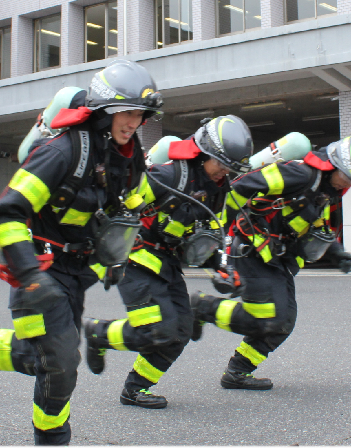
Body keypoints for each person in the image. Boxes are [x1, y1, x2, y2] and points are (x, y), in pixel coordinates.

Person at [0, 59, 163, 448]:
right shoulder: (63, 151)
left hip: (77, 272)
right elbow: (6, 212)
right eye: (126, 111)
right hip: (40, 270)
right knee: (60, 364)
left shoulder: (127, 159)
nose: (133, 121)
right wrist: (30, 275)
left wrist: (118, 255)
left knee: (42, 357)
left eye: (140, 114)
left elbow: (125, 210)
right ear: (104, 110)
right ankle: (52, 439)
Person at [82, 115, 254, 409]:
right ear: (204, 153)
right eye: (221, 164)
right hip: (134, 259)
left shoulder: (218, 190)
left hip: (167, 263)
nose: (224, 173)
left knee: (181, 331)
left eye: (230, 169)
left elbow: (211, 232)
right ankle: (99, 334)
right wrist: (104, 262)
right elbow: (115, 208)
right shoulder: (168, 176)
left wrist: (220, 267)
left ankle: (135, 389)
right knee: (158, 329)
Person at [190, 134, 351, 390]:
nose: (347, 184)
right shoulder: (300, 174)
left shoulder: (326, 188)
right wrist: (219, 237)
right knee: (269, 317)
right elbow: (238, 188)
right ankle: (201, 308)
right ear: (334, 165)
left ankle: (237, 372)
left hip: (277, 258)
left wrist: (336, 252)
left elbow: (314, 223)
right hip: (252, 251)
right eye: (347, 177)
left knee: (284, 322)